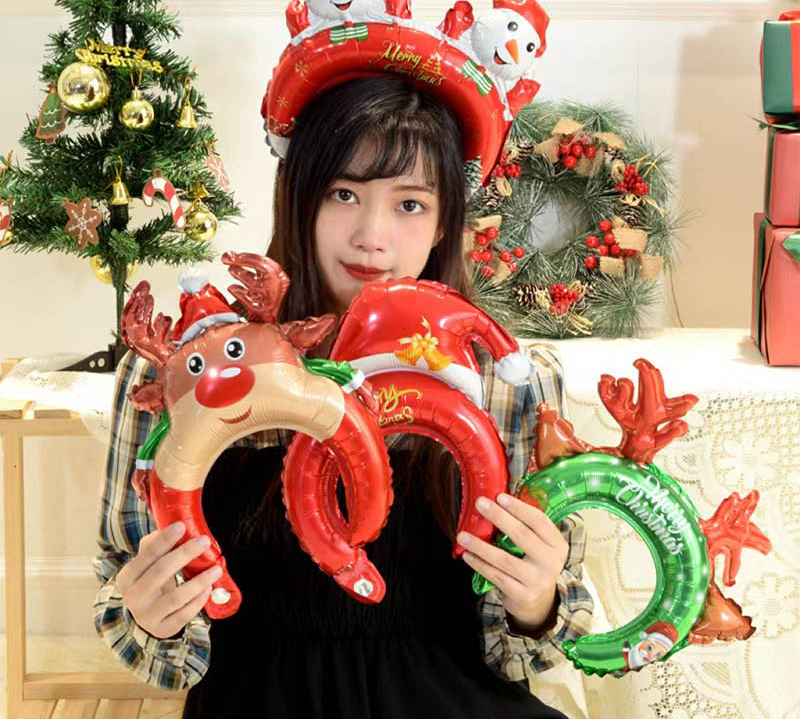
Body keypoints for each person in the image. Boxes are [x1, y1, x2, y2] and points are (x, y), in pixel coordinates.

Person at [92, 75, 594, 718]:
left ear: (445, 222)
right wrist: (148, 616)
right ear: (298, 198)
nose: (372, 236)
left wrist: (537, 602)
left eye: (410, 204)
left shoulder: (507, 382)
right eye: (344, 193)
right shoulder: (186, 376)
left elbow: (526, 649)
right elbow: (135, 603)